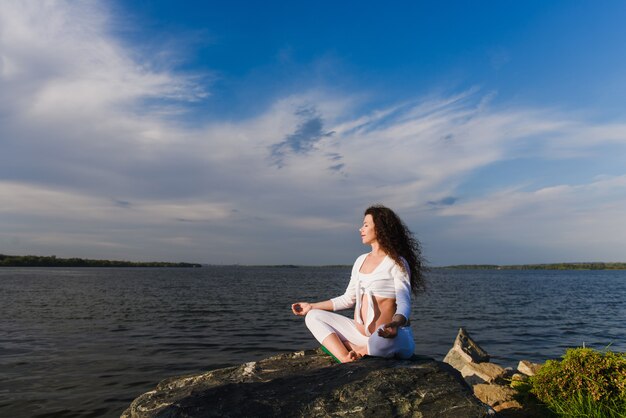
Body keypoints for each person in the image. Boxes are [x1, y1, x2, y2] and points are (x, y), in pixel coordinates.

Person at [291, 205, 425, 363]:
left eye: (366, 225)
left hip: (390, 335)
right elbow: (348, 299)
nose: (360, 229)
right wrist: (311, 306)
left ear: (381, 228)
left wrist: (395, 324)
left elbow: (404, 303)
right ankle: (345, 357)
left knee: (381, 339)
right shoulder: (360, 260)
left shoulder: (397, 263)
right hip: (361, 335)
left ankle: (355, 349)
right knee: (313, 317)